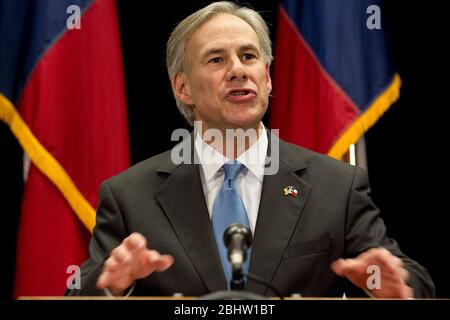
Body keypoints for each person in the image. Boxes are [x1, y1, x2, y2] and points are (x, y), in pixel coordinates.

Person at [67, 1, 434, 298]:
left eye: (249, 56)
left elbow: (413, 279)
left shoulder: (336, 186)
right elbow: (77, 295)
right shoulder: (130, 195)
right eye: (216, 59)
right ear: (183, 88)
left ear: (268, 77)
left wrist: (388, 285)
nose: (238, 70)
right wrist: (114, 287)